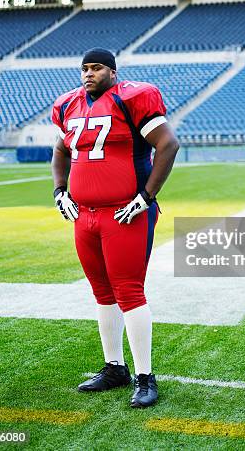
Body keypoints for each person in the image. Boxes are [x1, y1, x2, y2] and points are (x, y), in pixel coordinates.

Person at [51, 47, 179, 408]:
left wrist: (146, 196)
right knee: (101, 292)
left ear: (112, 71)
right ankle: (114, 368)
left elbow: (168, 144)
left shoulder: (132, 97)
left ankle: (144, 376)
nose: (89, 73)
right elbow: (61, 150)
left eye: (96, 68)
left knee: (129, 291)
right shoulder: (68, 105)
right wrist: (60, 190)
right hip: (84, 215)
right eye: (84, 68)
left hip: (125, 214)